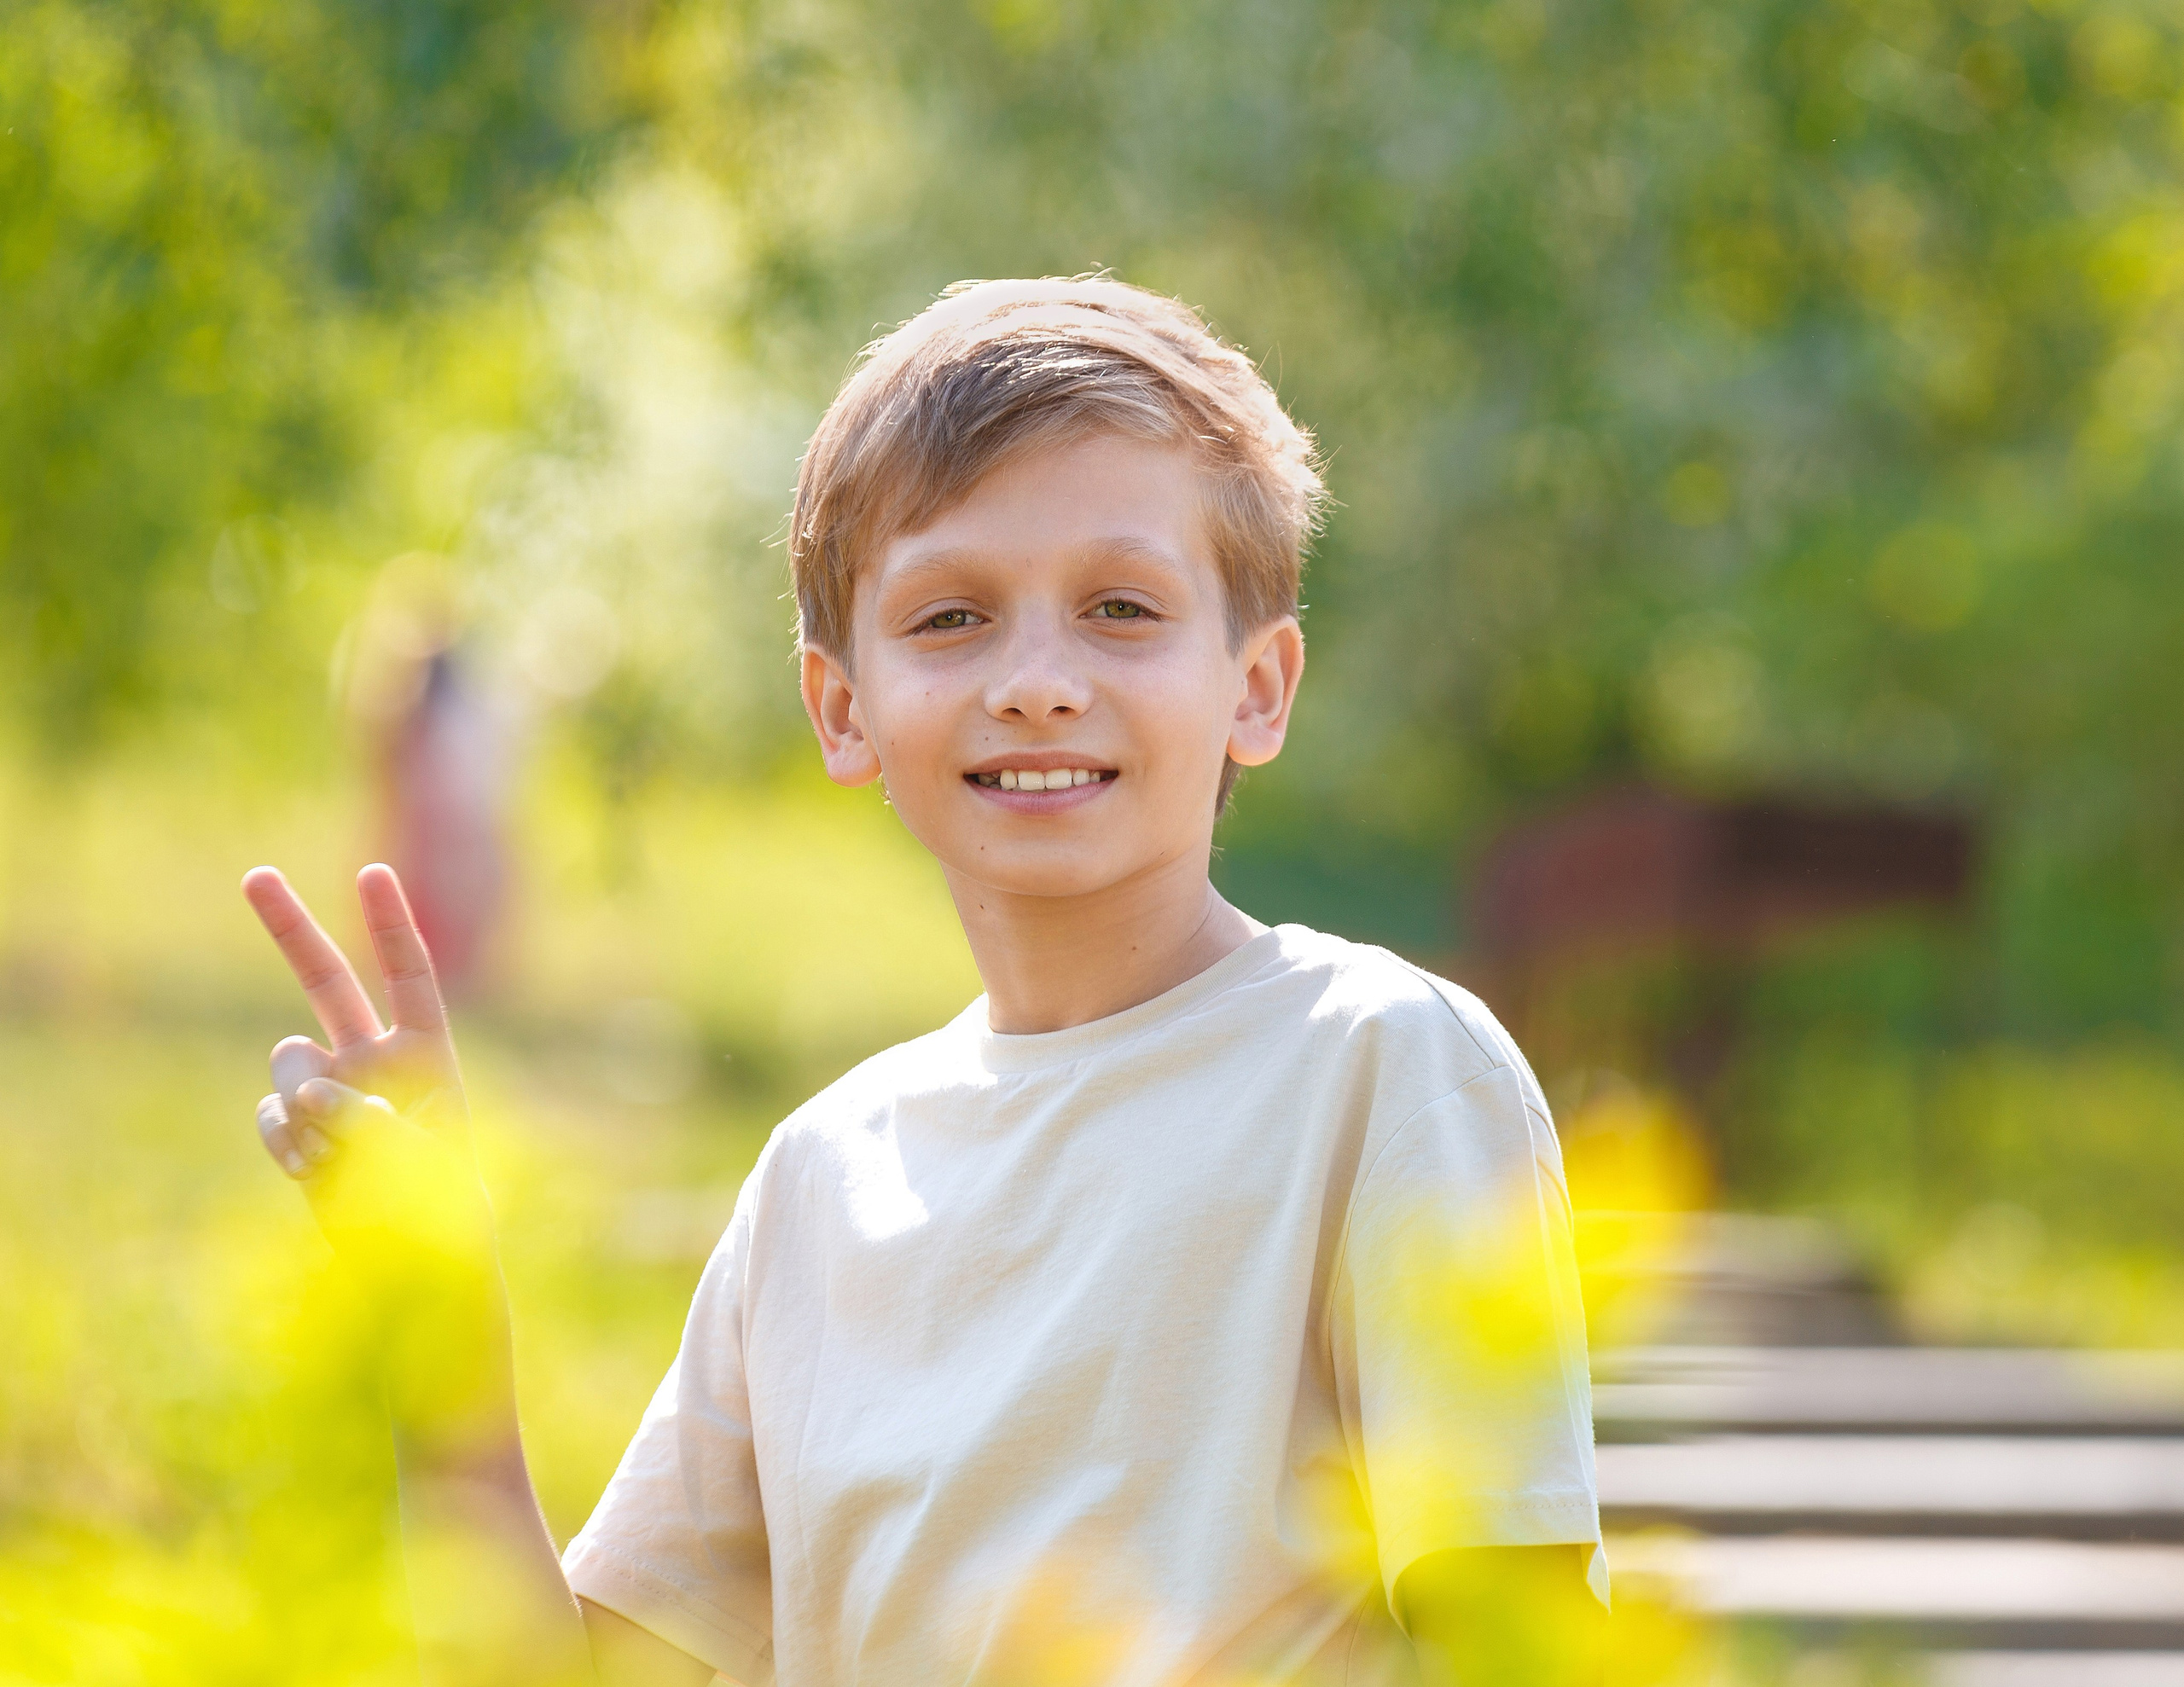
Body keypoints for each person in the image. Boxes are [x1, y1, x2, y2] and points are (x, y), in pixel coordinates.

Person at [243, 276, 1606, 1687]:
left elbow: (1527, 1646)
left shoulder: (1381, 1067)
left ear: (1257, 686)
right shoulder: (819, 1181)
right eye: (952, 617)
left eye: (1122, 607)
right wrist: (436, 1312)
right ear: (844, 709)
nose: (1035, 680)